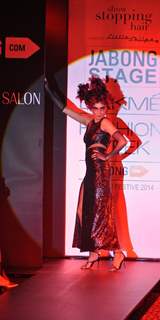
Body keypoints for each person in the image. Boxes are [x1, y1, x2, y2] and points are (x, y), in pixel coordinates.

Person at [45, 76, 127, 271]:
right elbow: (65, 109)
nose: (99, 112)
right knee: (84, 211)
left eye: (102, 108)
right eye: (95, 108)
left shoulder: (106, 123)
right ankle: (93, 252)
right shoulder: (89, 121)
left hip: (100, 172)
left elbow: (123, 141)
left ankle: (117, 253)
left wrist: (108, 156)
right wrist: (49, 89)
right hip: (90, 173)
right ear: (91, 108)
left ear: (106, 108)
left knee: (101, 214)